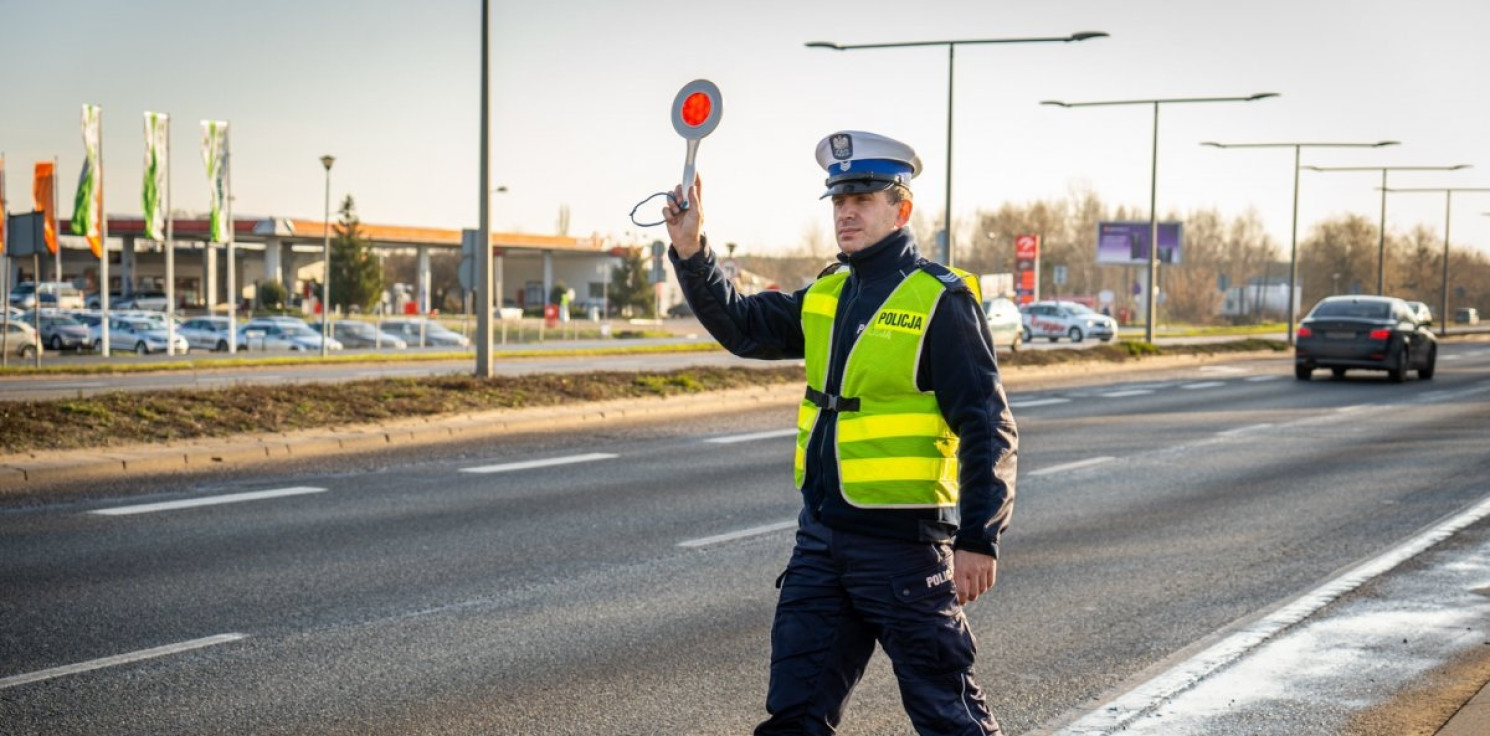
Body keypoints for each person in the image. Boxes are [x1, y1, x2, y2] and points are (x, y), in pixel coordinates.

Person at [663, 130, 1019, 736]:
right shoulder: (830, 291)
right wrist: (692, 250)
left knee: (947, 715)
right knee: (795, 713)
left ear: (900, 208)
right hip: (822, 541)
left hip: (904, 550)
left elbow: (987, 426)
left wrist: (979, 538)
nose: (846, 212)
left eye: (863, 198)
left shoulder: (941, 300)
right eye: (838, 201)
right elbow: (745, 327)